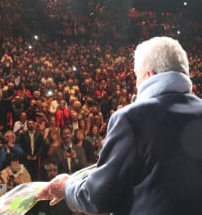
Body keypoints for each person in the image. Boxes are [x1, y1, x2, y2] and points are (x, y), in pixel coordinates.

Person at [37, 36, 202, 215]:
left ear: (149, 74)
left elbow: (97, 198)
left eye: (137, 77)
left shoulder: (131, 118)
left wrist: (66, 186)